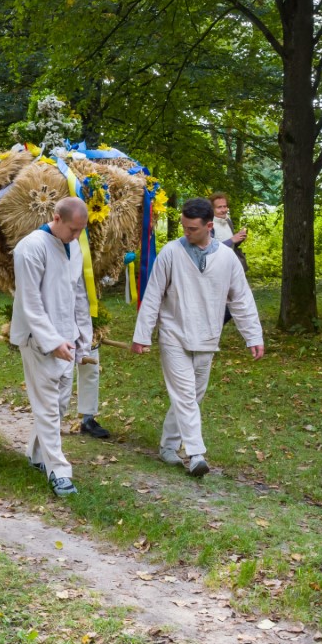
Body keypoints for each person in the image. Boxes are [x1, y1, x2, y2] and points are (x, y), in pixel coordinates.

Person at [132, 197, 264, 478]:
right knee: (184, 395)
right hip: (174, 335)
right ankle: (196, 455)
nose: (186, 233)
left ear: (208, 226)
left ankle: (168, 446)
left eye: (192, 228)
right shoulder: (170, 253)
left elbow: (241, 299)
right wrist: (143, 334)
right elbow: (153, 294)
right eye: (183, 227)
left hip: (207, 337)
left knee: (191, 397)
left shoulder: (227, 258)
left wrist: (253, 336)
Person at [10, 197, 92, 497]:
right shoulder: (30, 248)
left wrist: (83, 338)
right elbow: (30, 302)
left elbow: (78, 295)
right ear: (55, 218)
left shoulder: (73, 247)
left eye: (81, 230)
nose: (77, 236)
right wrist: (52, 340)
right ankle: (58, 471)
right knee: (47, 407)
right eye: (73, 229)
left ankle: (35, 453)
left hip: (66, 338)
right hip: (37, 340)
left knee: (58, 405)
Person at [209, 192, 248, 270]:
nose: (223, 210)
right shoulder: (209, 225)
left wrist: (239, 238)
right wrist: (232, 239)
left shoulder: (228, 220)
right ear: (212, 209)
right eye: (219, 207)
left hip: (230, 265)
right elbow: (210, 250)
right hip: (216, 268)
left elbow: (232, 246)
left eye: (225, 206)